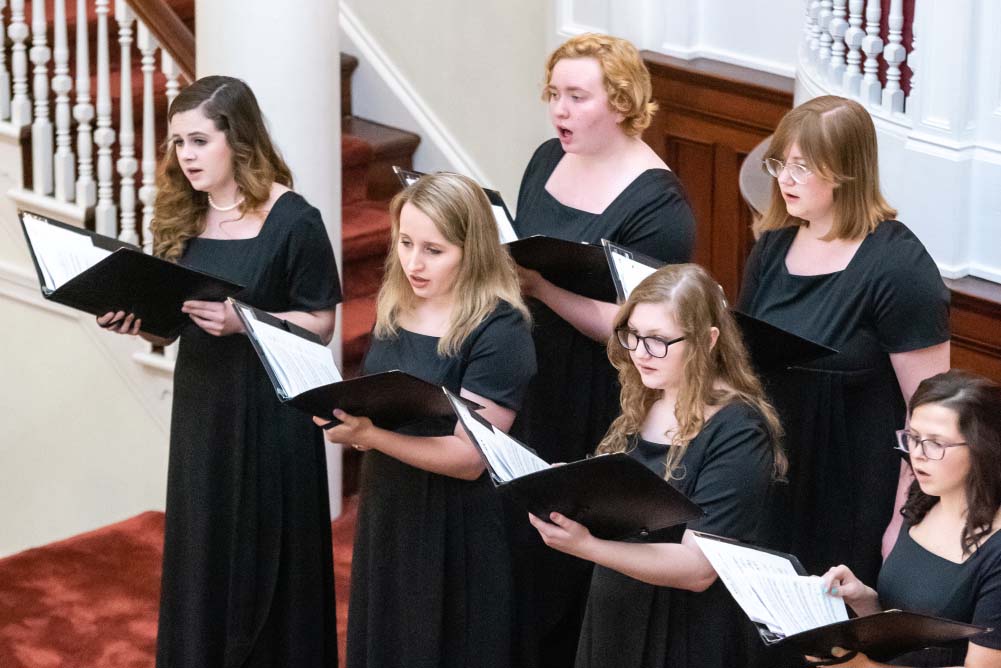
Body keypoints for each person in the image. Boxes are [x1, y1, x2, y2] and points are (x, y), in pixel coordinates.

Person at [98, 76, 341, 667]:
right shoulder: (184, 216)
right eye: (178, 142)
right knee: (203, 548)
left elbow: (323, 322)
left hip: (271, 416)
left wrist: (247, 322)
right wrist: (139, 321)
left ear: (238, 141)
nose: (185, 156)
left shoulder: (294, 220)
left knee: (265, 556)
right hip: (204, 406)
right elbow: (174, 322)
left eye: (199, 141)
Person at [510, 33, 697, 666]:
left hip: (601, 390)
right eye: (554, 95)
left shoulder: (658, 203)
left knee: (571, 553)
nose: (559, 110)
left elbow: (638, 325)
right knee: (521, 547)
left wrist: (540, 286)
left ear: (619, 102)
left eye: (577, 96)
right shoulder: (544, 159)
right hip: (529, 372)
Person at [315, 172, 536, 668]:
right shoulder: (397, 303)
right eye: (406, 242)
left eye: (434, 250)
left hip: (457, 525)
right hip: (390, 505)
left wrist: (371, 435)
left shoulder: (502, 330)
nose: (413, 262)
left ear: (472, 249)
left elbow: (470, 459)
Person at [738, 95, 950, 585]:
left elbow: (930, 415)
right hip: (772, 478)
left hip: (853, 493)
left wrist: (904, 518)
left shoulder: (898, 268)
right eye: (780, 164)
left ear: (845, 172)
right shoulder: (773, 248)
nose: (783, 179)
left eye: (801, 167)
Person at [530, 263, 785, 668]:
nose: (641, 354)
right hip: (618, 609)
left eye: (659, 340)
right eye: (633, 335)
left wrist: (588, 546)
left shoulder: (739, 429)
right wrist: (572, 488)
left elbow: (698, 570)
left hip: (686, 631)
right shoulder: (648, 394)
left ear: (708, 340)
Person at [820, 370, 1001, 667]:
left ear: (984, 448)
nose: (918, 454)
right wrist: (863, 600)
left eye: (935, 443)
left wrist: (863, 667)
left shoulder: (997, 551)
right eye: (913, 438)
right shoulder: (923, 503)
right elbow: (904, 637)